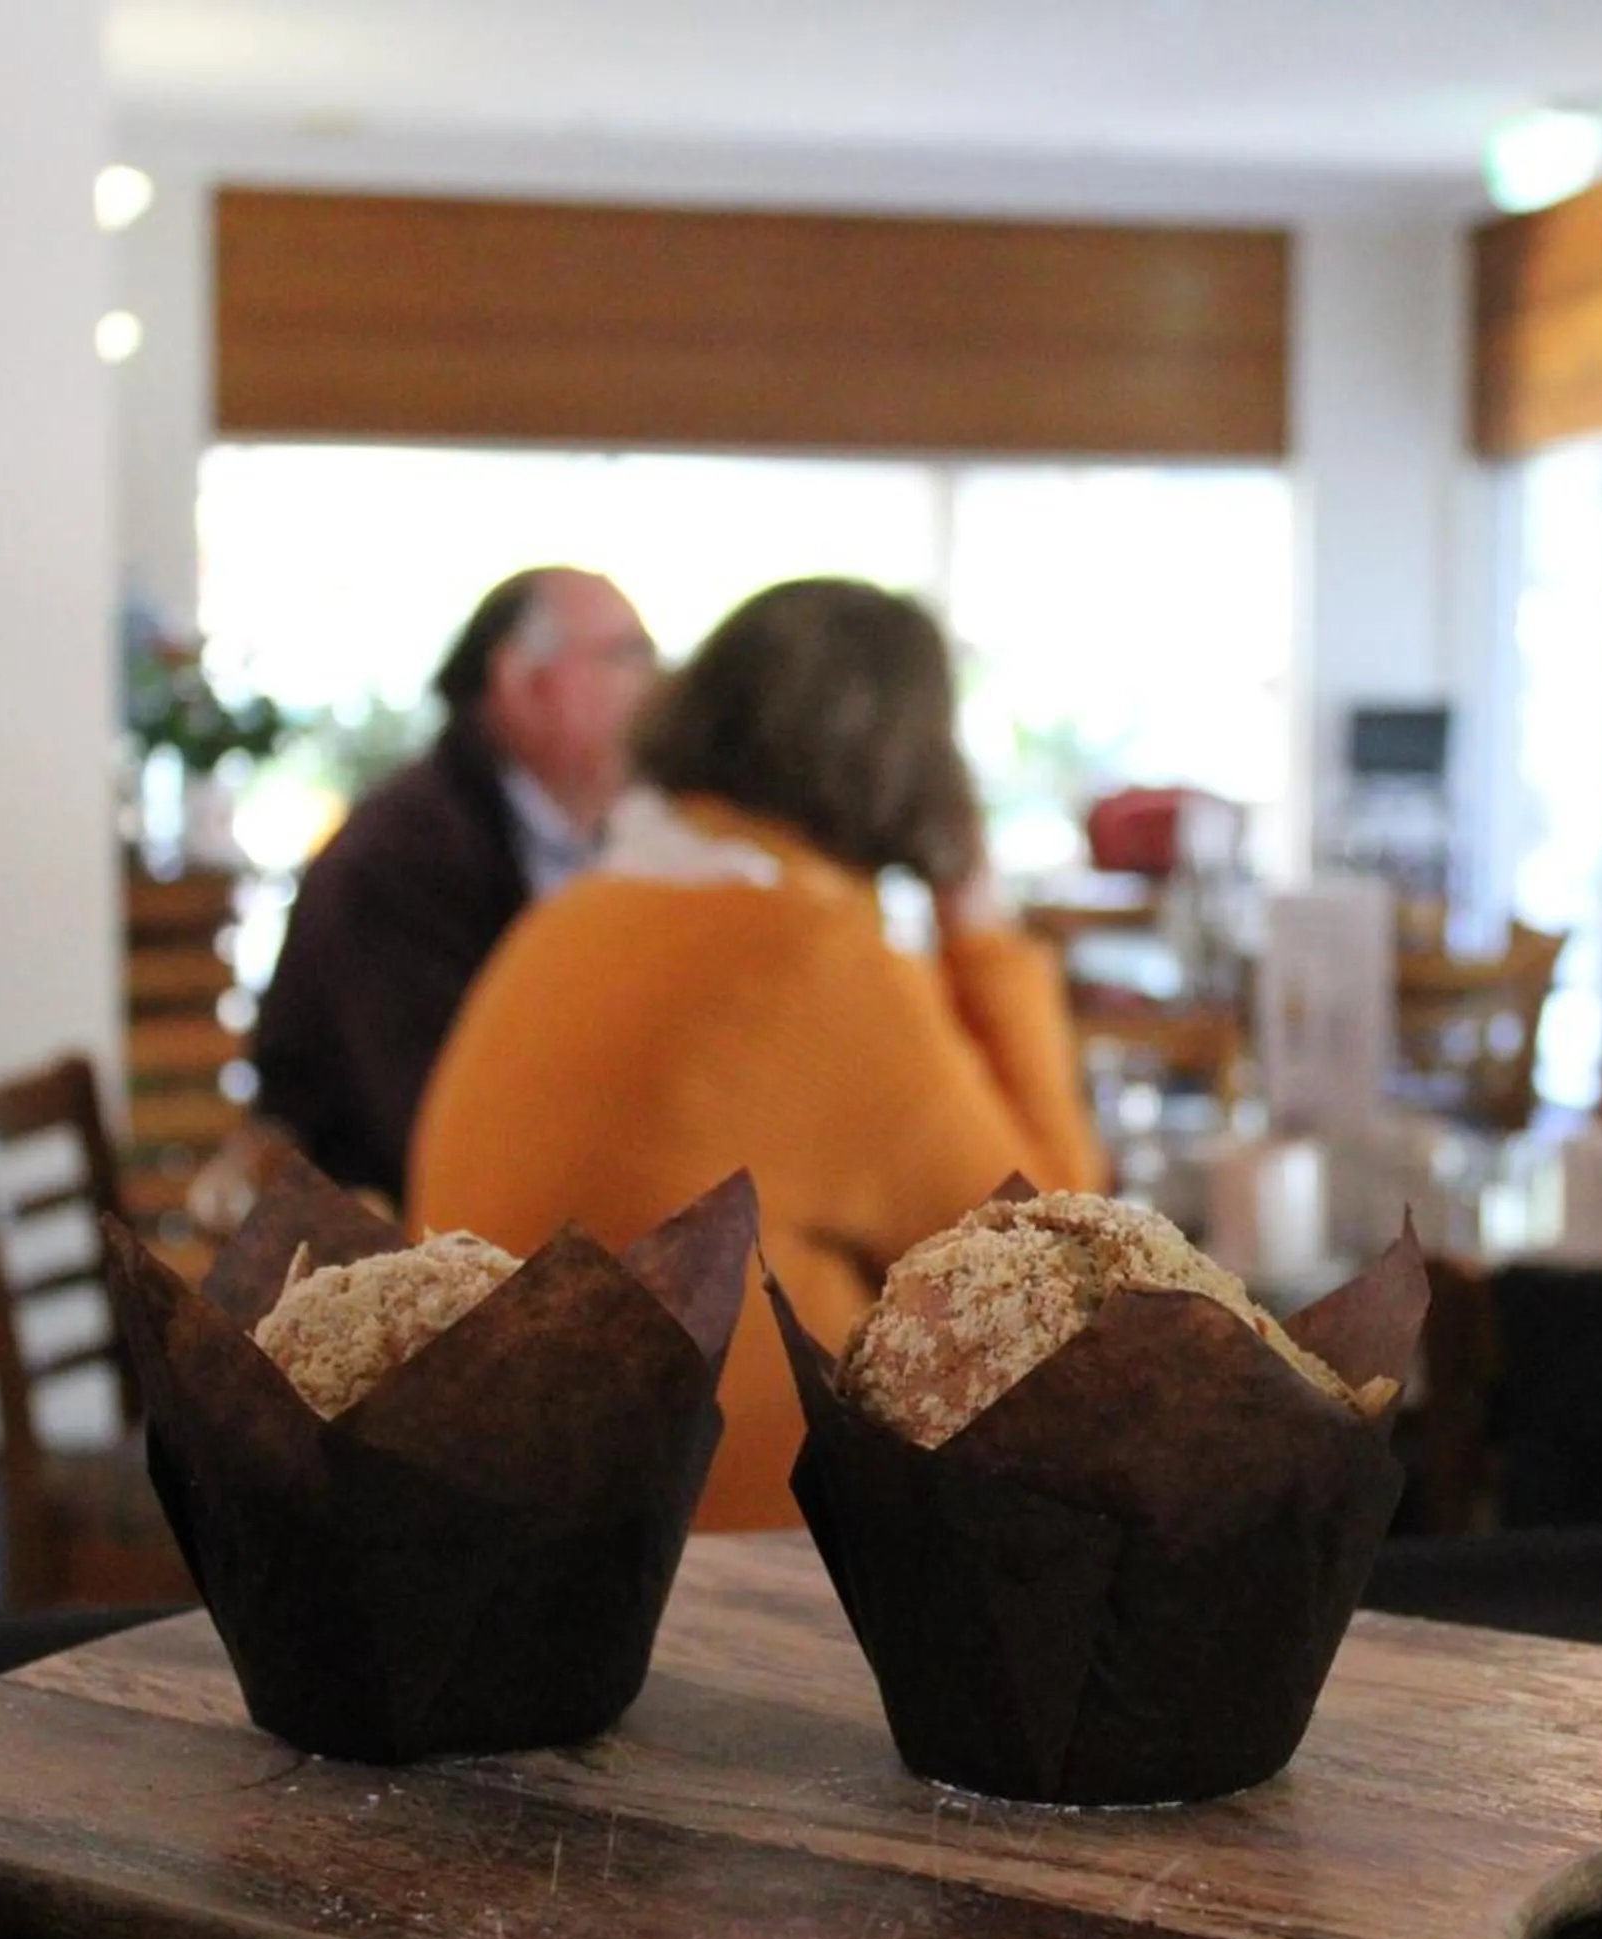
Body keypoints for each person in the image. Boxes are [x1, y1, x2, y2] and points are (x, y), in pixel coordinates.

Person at [408, 578, 1106, 1532]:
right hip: (739, 1564)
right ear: (915, 767)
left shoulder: (573, 920)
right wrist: (980, 928)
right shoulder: (812, 959)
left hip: (490, 1538)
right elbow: (1070, 1270)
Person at [250, 567, 658, 1205]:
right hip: (384, 1264)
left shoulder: (588, 835)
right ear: (523, 684)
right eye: (626, 656)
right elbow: (432, 1124)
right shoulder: (401, 861)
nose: (654, 689)